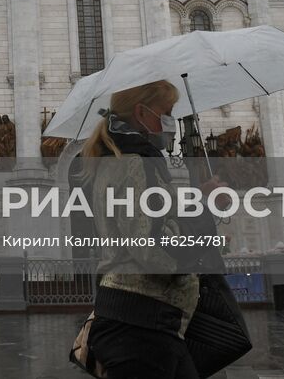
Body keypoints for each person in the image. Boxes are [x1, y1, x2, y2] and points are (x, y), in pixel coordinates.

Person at [74, 79, 228, 379]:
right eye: (167, 111)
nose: (171, 122)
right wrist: (200, 247)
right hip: (141, 322)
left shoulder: (117, 159)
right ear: (143, 113)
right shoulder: (137, 163)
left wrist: (202, 200)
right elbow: (150, 247)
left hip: (140, 320)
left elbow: (151, 216)